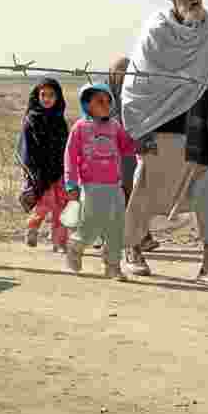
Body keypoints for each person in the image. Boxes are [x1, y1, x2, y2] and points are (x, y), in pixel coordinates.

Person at [120, 0, 208, 289]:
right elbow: (138, 84)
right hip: (163, 122)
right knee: (148, 189)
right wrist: (141, 128)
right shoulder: (157, 31)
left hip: (202, 120)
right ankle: (132, 249)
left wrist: (199, 86)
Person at [63, 82, 137, 280]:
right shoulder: (80, 128)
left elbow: (127, 147)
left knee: (116, 226)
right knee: (91, 223)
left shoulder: (115, 126)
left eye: (108, 101)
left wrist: (141, 141)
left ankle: (113, 265)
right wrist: (71, 184)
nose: (105, 105)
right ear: (87, 105)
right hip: (91, 186)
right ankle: (76, 246)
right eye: (99, 101)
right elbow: (70, 157)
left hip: (114, 185)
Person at [107, 57, 159, 252]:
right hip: (111, 158)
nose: (123, 80)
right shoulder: (104, 99)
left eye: (127, 74)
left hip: (136, 153)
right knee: (119, 197)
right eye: (119, 75)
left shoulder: (140, 96)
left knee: (138, 195)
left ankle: (141, 236)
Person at [16, 78, 70, 252]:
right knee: (44, 203)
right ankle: (33, 226)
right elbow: (26, 149)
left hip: (60, 171)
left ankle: (59, 241)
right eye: (43, 95)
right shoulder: (31, 120)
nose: (47, 99)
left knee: (62, 206)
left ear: (58, 97)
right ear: (37, 96)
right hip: (39, 172)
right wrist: (31, 172)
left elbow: (66, 147)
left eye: (51, 95)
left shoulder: (60, 121)